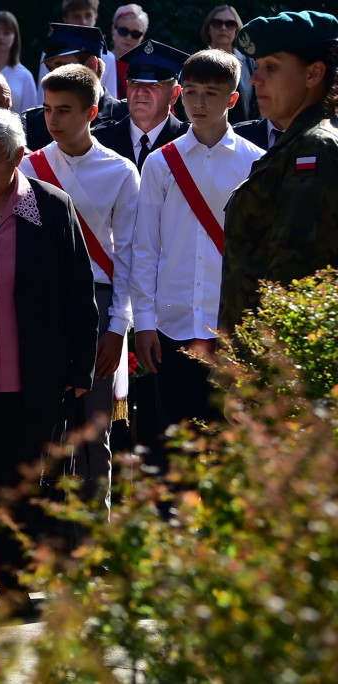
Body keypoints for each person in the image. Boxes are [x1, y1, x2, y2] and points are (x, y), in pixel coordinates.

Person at [0, 105, 97, 614]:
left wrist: (79, 370)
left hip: (31, 376)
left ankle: (12, 583)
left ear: (19, 158)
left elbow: (79, 294)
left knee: (21, 485)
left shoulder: (51, 208)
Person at [130, 49, 263, 473]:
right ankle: (175, 533)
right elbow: (145, 248)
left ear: (232, 98)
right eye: (190, 92)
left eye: (211, 93)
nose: (199, 103)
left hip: (231, 328)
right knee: (176, 450)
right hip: (172, 326)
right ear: (178, 97)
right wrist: (145, 323)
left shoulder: (255, 162)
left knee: (230, 450)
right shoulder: (160, 163)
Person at [18, 64, 139, 509]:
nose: (53, 120)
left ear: (91, 111)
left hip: (100, 305)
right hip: (39, 308)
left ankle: (92, 544)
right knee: (41, 426)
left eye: (65, 110)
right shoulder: (27, 166)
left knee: (94, 431)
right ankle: (41, 536)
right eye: (48, 109)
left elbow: (129, 256)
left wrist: (117, 328)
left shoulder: (121, 171)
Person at [219, 10, 338, 332]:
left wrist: (263, 373)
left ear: (313, 74)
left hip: (279, 366)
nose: (255, 79)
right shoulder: (299, 143)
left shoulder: (314, 151)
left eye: (271, 67)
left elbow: (295, 282)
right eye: (257, 68)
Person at [22, 23, 128, 151]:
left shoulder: (126, 119)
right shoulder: (34, 123)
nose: (53, 75)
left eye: (62, 67)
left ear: (90, 66)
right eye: (50, 68)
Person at [94, 40, 189, 171]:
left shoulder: (189, 142)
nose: (140, 92)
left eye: (153, 85)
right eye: (134, 83)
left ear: (174, 94)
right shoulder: (100, 140)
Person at [36, 0, 120, 99]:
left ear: (95, 17)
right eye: (76, 16)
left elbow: (110, 98)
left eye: (88, 16)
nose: (83, 22)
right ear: (66, 20)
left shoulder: (108, 58)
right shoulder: (50, 53)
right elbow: (43, 96)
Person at [200, 5, 259, 123]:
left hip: (247, 133)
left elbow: (258, 100)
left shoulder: (249, 62)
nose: (223, 28)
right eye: (217, 23)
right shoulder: (197, 64)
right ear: (208, 28)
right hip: (208, 134)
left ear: (237, 30)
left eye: (230, 24)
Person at [0, 11, 38, 114]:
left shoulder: (25, 76)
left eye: (6, 32)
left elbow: (30, 116)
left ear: (15, 37)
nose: (0, 37)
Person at [109, 4, 149, 98]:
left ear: (143, 36)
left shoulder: (149, 70)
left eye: (135, 34)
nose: (128, 38)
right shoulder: (99, 63)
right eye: (123, 31)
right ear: (113, 29)